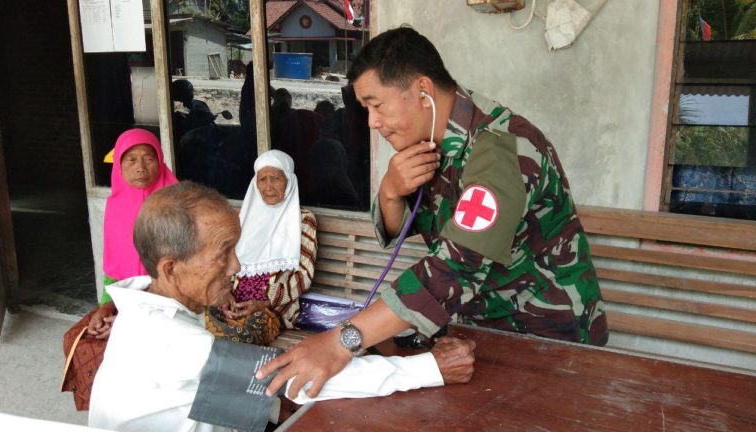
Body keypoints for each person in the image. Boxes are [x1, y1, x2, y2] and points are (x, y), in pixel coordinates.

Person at [258, 26, 608, 400]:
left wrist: (342, 342)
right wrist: (391, 191)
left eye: (377, 105)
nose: (372, 122)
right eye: (366, 109)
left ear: (423, 90)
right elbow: (404, 227)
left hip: (549, 341)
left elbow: (455, 266)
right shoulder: (432, 141)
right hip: (479, 329)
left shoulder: (500, 153)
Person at [88, 181, 476, 432]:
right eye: (224, 254)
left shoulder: (145, 310)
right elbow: (302, 379)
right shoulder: (172, 342)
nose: (237, 267)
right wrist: (431, 368)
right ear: (172, 269)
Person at [205, 150, 317, 345]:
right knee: (200, 321)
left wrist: (266, 302)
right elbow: (226, 265)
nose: (268, 186)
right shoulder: (246, 217)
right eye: (262, 179)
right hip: (234, 302)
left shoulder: (303, 219)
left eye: (276, 178)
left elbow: (304, 277)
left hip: (272, 310)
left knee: (240, 337)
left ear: (289, 181)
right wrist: (225, 296)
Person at [87, 128, 178, 339]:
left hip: (170, 306)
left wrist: (131, 317)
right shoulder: (116, 207)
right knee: (80, 343)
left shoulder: (179, 205)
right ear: (119, 165)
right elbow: (114, 268)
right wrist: (105, 306)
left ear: (160, 160)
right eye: (131, 160)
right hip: (126, 300)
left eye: (148, 158)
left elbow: (186, 273)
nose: (140, 168)